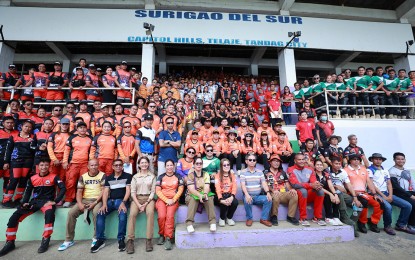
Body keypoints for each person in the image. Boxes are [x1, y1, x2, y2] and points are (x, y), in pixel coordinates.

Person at [0, 158, 65, 256]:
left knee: (49, 214)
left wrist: (55, 201)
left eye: (46, 165)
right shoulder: (33, 178)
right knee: (14, 217)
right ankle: (10, 242)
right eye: (42, 165)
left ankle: (45, 240)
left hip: (47, 202)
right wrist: (25, 202)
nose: (44, 167)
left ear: (49, 166)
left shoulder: (54, 177)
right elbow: (28, 192)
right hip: (34, 202)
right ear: (38, 167)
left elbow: (63, 188)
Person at [58, 159, 105, 251]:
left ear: (98, 166)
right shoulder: (83, 177)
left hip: (97, 200)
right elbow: (79, 192)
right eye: (91, 165)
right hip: (85, 199)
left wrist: (95, 202)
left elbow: (104, 191)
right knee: (71, 213)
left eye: (95, 165)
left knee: (96, 213)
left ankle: (96, 238)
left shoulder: (102, 175)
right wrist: (79, 203)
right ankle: (69, 240)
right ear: (88, 167)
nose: (94, 167)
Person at [367, 153, 414, 236]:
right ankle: (387, 226)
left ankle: (401, 225)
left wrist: (390, 195)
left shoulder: (385, 170)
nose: (378, 161)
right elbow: (372, 184)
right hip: (376, 194)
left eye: (380, 159)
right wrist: (385, 197)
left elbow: (389, 183)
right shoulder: (369, 170)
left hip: (387, 193)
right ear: (372, 160)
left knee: (408, 205)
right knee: (388, 207)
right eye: (376, 159)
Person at [91, 159, 132, 253]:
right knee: (100, 213)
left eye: (120, 165)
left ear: (122, 166)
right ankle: (100, 240)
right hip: (110, 201)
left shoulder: (128, 176)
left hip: (122, 201)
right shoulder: (109, 178)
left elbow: (128, 191)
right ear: (112, 167)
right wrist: (104, 204)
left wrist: (123, 202)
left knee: (122, 214)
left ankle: (121, 239)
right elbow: (105, 192)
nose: (118, 167)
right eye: (116, 165)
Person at [344, 154, 383, 234]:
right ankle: (362, 223)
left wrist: (374, 194)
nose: (356, 161)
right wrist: (355, 193)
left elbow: (369, 182)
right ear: (350, 161)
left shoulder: (363, 169)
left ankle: (373, 223)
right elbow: (345, 184)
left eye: (358, 159)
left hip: (364, 193)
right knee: (364, 202)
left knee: (379, 203)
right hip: (352, 193)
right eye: (354, 159)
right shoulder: (345, 170)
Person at [2, 120, 37, 208]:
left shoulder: (33, 137)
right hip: (16, 161)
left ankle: (18, 199)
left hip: (28, 162)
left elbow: (34, 151)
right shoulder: (13, 136)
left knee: (23, 181)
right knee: (13, 180)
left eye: (29, 127)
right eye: (26, 126)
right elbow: (8, 150)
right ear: (21, 126)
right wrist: (6, 162)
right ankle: (6, 200)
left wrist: (32, 143)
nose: (27, 128)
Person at [126, 156, 156, 253]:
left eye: (145, 162)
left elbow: (152, 192)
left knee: (150, 213)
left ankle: (149, 240)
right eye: (142, 163)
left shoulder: (152, 176)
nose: (144, 164)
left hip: (149, 199)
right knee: (132, 214)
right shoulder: (135, 177)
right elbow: (133, 192)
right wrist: (139, 205)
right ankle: (130, 240)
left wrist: (146, 203)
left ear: (148, 164)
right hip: (137, 199)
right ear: (138, 165)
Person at [288, 153, 326, 226]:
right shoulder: (291, 169)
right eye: (299, 159)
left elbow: (313, 181)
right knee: (303, 190)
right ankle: (303, 218)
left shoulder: (310, 169)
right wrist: (311, 185)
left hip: (307, 194)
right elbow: (295, 185)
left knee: (320, 191)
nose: (302, 161)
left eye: (303, 159)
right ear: (295, 161)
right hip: (297, 194)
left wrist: (317, 184)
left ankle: (317, 217)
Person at [328, 157, 362, 237]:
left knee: (359, 206)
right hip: (331, 192)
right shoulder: (327, 171)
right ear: (332, 164)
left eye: (339, 164)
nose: (338, 165)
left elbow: (349, 185)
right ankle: (344, 216)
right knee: (339, 193)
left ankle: (350, 223)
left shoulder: (343, 172)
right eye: (336, 164)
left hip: (342, 193)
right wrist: (336, 187)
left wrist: (355, 198)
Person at [62, 122, 93, 208]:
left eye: (84, 127)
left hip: (85, 164)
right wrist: (65, 161)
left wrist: (91, 162)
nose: (82, 129)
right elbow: (67, 150)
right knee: (70, 182)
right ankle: (68, 199)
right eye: (80, 127)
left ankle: (82, 199)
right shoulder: (72, 137)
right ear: (77, 129)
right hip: (73, 163)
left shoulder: (90, 138)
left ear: (86, 129)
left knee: (83, 182)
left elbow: (93, 151)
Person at [155, 159, 184, 250]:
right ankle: (161, 235)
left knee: (170, 216)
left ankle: (168, 237)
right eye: (167, 165)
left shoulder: (178, 176)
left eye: (171, 165)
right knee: (161, 216)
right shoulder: (160, 177)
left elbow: (180, 190)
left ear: (174, 166)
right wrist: (166, 200)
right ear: (165, 167)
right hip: (162, 200)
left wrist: (173, 199)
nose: (169, 167)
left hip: (173, 200)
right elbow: (157, 191)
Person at [240, 153, 273, 227]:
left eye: (254, 160)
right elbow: (243, 185)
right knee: (246, 200)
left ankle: (263, 219)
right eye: (250, 160)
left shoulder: (260, 172)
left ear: (256, 162)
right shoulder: (243, 172)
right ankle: (249, 218)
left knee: (268, 199)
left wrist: (268, 192)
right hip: (248, 195)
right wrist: (247, 195)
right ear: (246, 161)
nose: (252, 161)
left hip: (258, 196)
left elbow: (264, 184)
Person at [185, 157, 217, 233]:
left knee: (209, 197)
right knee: (193, 198)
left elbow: (207, 186)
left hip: (203, 193)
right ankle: (189, 223)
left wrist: (205, 193)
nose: (199, 165)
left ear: (202, 165)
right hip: (192, 194)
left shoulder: (206, 174)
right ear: (194, 165)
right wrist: (199, 195)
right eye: (197, 163)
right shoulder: (190, 175)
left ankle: (212, 222)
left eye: (200, 163)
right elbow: (191, 189)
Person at [266, 154, 299, 226]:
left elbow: (287, 184)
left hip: (283, 192)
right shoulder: (266, 172)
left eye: (278, 161)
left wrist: (291, 189)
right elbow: (265, 184)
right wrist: (273, 190)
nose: (276, 163)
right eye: (274, 161)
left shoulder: (283, 173)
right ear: (270, 162)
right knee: (276, 196)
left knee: (294, 195)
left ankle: (290, 216)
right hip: (272, 192)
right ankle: (273, 217)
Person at [389, 152, 415, 233]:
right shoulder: (392, 171)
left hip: (409, 191)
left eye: (402, 159)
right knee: (412, 204)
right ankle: (411, 225)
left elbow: (412, 182)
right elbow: (396, 186)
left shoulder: (406, 170)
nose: (400, 161)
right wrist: (410, 196)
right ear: (394, 160)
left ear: (405, 160)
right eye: (398, 159)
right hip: (399, 192)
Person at [214, 158, 238, 227]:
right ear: (221, 167)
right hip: (219, 196)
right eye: (224, 165)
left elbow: (234, 187)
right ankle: (222, 218)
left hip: (230, 195)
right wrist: (221, 199)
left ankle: (229, 218)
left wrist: (232, 196)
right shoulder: (217, 175)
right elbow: (217, 188)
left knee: (235, 202)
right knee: (224, 201)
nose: (226, 166)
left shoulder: (232, 175)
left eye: (228, 165)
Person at [0, 116, 18, 197]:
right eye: (7, 122)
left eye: (11, 122)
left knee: (7, 180)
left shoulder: (17, 133)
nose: (9, 124)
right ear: (3, 123)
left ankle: (5, 198)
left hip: (11, 160)